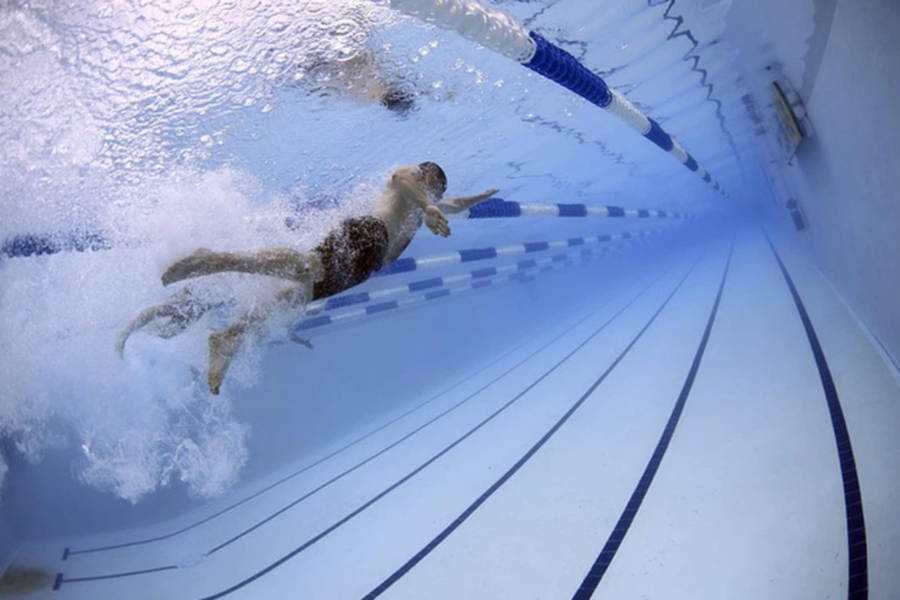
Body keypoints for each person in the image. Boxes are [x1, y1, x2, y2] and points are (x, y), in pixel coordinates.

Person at [132, 162, 497, 395]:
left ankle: (231, 336)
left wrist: (476, 198)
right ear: (426, 175)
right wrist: (428, 204)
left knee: (295, 297)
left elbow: (453, 204)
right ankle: (212, 260)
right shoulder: (412, 179)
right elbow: (403, 181)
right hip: (368, 234)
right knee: (306, 268)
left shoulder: (425, 208)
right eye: (434, 187)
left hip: (364, 267)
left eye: (438, 193)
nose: (436, 195)